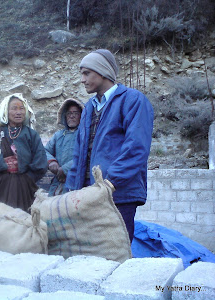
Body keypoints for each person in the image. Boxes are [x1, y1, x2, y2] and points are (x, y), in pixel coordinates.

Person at [66, 49, 154, 243]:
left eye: (86, 73)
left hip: (118, 195)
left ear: (102, 72)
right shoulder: (89, 107)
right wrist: (70, 191)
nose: (82, 79)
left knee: (117, 254)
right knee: (92, 256)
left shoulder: (133, 100)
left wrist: (110, 183)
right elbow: (79, 154)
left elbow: (136, 148)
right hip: (90, 196)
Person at [0, 93, 48, 212]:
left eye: (21, 108)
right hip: (1, 185)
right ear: (6, 111)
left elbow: (40, 159)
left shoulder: (31, 134)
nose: (18, 112)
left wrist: (29, 178)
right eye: (14, 108)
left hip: (25, 186)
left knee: (24, 218)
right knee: (1, 218)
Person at [45, 98, 84, 196]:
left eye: (75, 113)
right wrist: (52, 162)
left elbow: (85, 154)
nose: (72, 116)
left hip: (78, 182)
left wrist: (65, 169)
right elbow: (44, 151)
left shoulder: (85, 135)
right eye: (69, 113)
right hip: (58, 181)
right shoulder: (58, 135)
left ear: (82, 115)